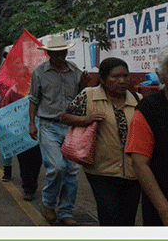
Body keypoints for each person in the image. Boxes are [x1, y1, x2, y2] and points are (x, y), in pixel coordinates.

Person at [62, 58, 141, 226]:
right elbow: (65, 117)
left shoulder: (138, 100)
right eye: (115, 76)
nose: (122, 81)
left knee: (128, 220)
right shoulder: (89, 95)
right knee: (109, 216)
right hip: (100, 171)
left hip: (133, 172)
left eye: (125, 76)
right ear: (104, 79)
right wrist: (86, 119)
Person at [28, 35, 90, 226]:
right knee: (56, 167)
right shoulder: (39, 73)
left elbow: (81, 96)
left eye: (62, 52)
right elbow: (33, 99)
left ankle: (66, 211)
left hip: (71, 126)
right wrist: (31, 124)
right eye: (55, 53)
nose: (59, 56)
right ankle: (48, 204)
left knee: (72, 170)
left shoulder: (75, 72)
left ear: (65, 52)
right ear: (48, 53)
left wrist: (85, 84)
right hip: (48, 125)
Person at [126, 43, 168, 226]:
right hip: (166, 203)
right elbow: (140, 164)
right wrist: (167, 213)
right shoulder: (148, 111)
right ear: (161, 76)